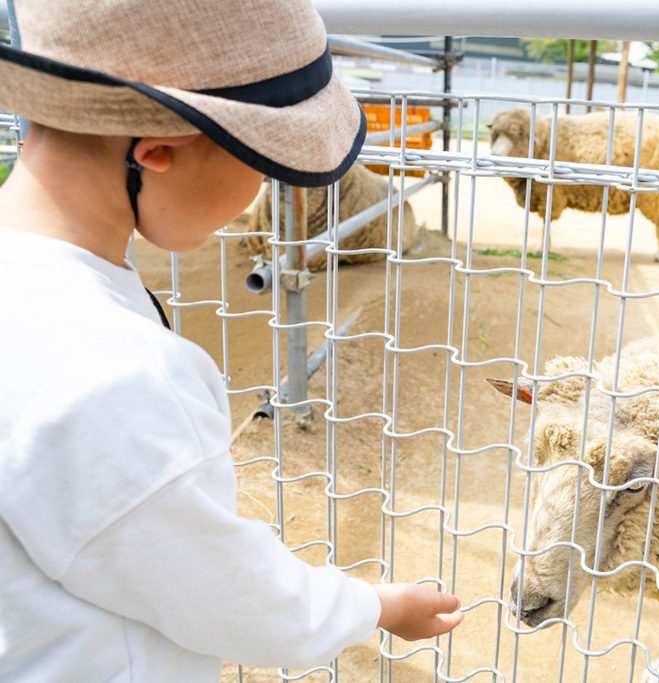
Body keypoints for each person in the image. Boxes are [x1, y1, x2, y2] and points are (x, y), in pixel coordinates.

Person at [0, 0, 463, 680]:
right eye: (263, 161)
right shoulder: (114, 371)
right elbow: (232, 594)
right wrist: (378, 606)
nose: (262, 193)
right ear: (158, 150)